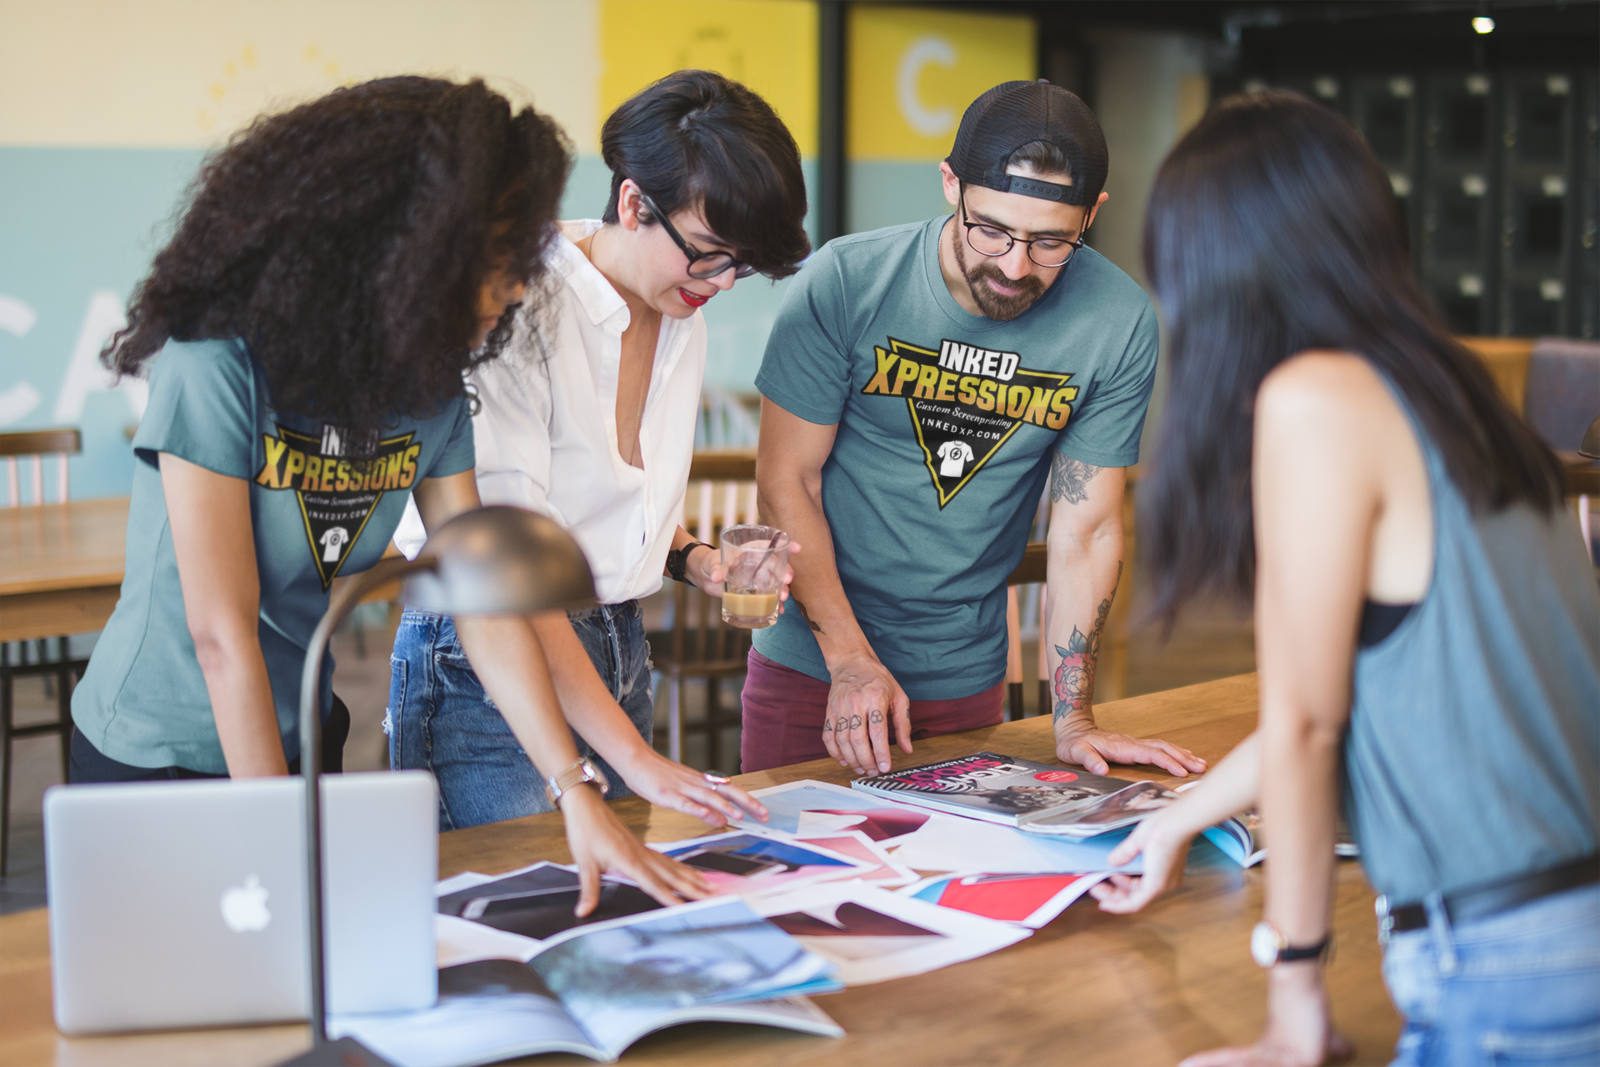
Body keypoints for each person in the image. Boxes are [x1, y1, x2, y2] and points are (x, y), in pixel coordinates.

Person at [73, 76, 708, 912]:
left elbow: (485, 601)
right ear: (408, 247)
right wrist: (279, 842)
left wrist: (574, 787)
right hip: (158, 754)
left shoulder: (428, 389)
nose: (519, 287)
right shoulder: (217, 364)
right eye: (499, 260)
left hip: (301, 731)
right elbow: (221, 634)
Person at [1086, 91, 1600, 1066]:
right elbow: (1343, 698)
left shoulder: (1313, 398)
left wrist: (1294, 1000)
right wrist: (1177, 821)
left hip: (1503, 961)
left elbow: (1307, 727)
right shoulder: (1451, 390)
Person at [744, 79, 1206, 781]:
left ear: (1092, 214)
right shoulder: (846, 281)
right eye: (991, 229)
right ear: (950, 185)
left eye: (1052, 241)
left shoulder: (1117, 321)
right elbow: (787, 482)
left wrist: (1073, 718)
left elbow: (1086, 531)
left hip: (964, 676)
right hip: (813, 668)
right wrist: (850, 661)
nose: (1015, 266)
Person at [390, 70, 808, 828]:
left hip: (619, 641)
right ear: (634, 202)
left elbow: (608, 503)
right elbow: (510, 569)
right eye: (708, 252)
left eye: (740, 264)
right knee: (518, 890)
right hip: (487, 655)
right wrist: (637, 758)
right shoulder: (514, 305)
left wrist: (696, 561)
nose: (722, 282)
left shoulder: (680, 312)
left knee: (610, 892)